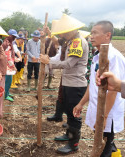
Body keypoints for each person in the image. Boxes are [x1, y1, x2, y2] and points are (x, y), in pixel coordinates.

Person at [73, 21, 125, 156]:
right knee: (104, 143)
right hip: (98, 109)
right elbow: (92, 84)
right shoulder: (98, 56)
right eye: (91, 32)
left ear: (107, 35)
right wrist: (81, 103)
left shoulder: (113, 57)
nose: (91, 36)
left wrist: (104, 116)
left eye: (95, 32)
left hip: (107, 112)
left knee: (104, 148)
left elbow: (113, 90)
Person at [40, 14, 88, 154]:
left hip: (75, 85)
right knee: (68, 111)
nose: (62, 34)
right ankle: (68, 135)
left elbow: (68, 64)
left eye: (63, 32)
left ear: (71, 30)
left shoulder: (78, 42)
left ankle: (73, 144)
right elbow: (58, 42)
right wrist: (49, 34)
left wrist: (49, 62)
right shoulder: (71, 41)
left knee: (74, 115)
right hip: (69, 83)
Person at [2, 29, 19, 102]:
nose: (14, 38)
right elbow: (8, 58)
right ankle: (5, 96)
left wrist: (14, 58)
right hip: (7, 67)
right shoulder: (7, 44)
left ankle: (7, 93)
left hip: (8, 66)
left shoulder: (9, 43)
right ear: (10, 36)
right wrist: (13, 66)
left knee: (9, 81)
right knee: (8, 82)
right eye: (13, 37)